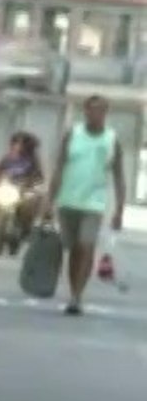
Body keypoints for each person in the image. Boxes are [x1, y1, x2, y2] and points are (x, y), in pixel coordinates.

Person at [45, 95, 125, 316]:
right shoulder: (73, 135)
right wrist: (48, 201)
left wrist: (119, 209)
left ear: (106, 114)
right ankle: (73, 291)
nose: (95, 114)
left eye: (100, 111)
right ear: (85, 112)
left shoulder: (111, 139)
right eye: (91, 110)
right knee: (74, 251)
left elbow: (118, 176)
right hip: (67, 201)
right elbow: (59, 167)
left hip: (94, 204)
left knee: (86, 246)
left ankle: (77, 296)